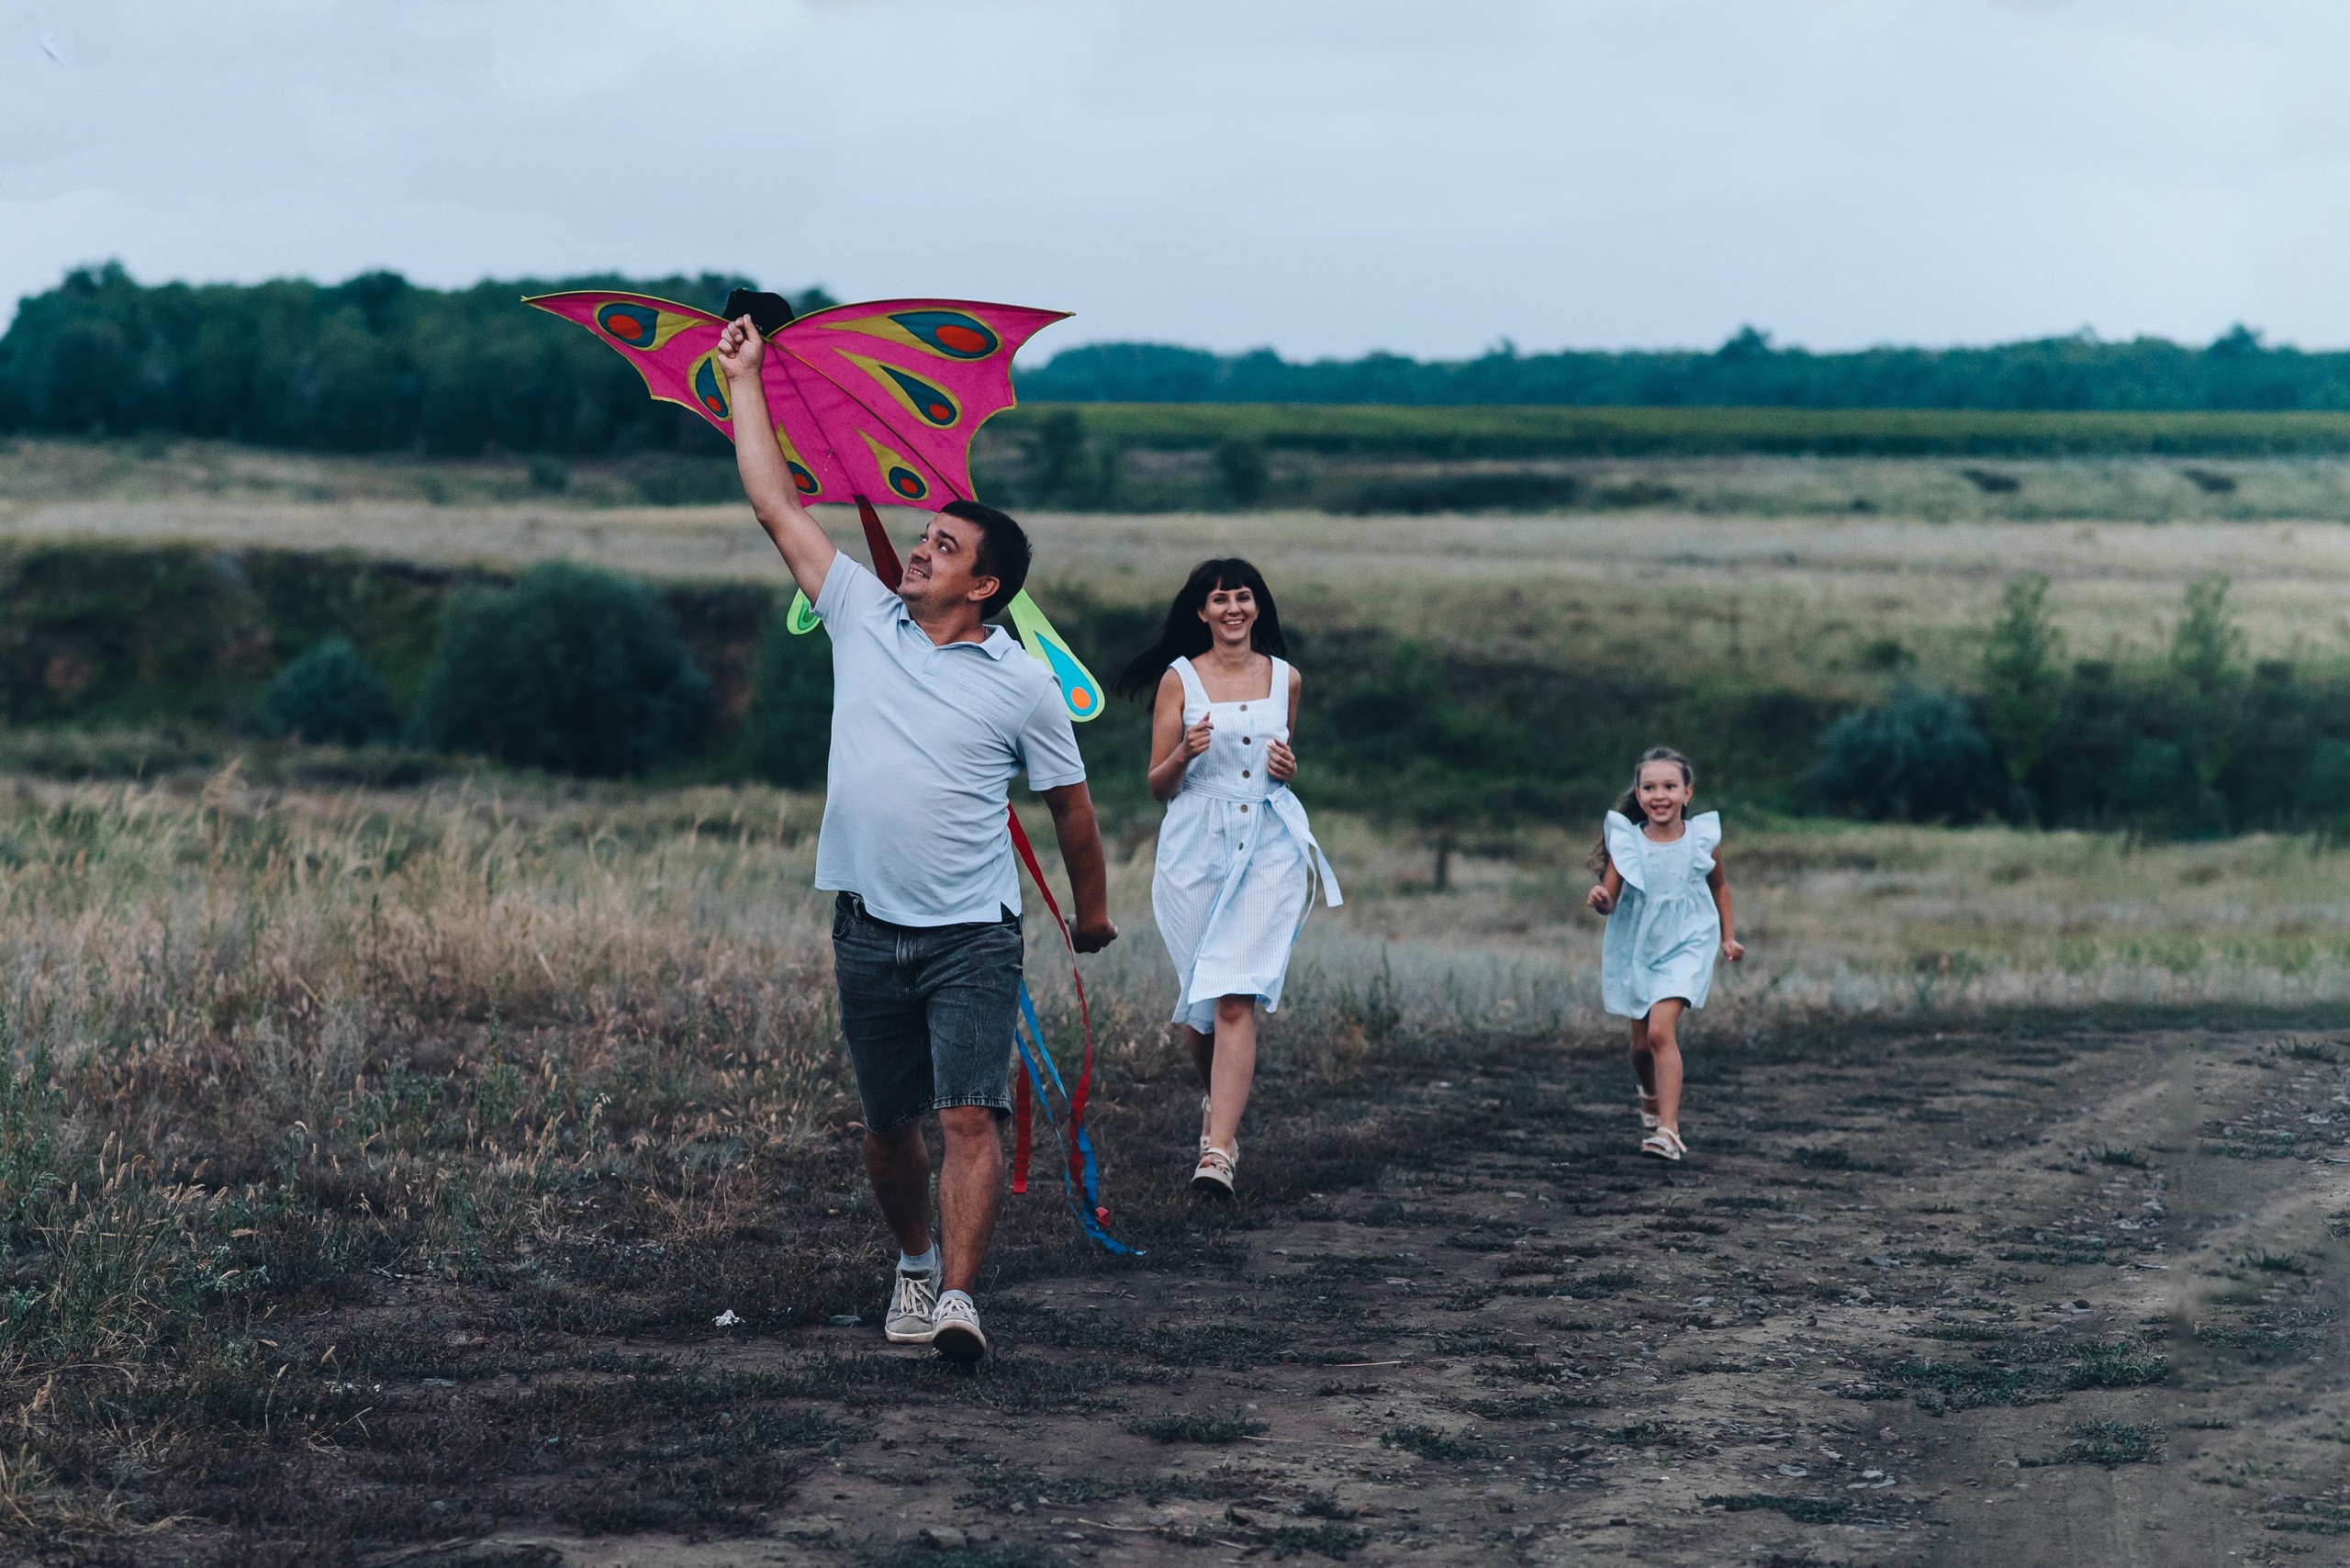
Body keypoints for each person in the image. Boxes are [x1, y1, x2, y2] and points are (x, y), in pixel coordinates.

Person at [712, 316, 1118, 1363]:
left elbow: (1071, 806)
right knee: (887, 1128)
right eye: (924, 536)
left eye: (943, 545)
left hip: (973, 936)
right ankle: (912, 1263)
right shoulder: (859, 613)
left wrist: (1091, 913)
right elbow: (774, 504)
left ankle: (959, 1299)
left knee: (970, 1119)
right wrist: (745, 380)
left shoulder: (1024, 684)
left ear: (983, 587)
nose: (920, 546)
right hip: (866, 927)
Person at [1110, 559, 1341, 1197]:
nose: (1233, 608)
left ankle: (1218, 1153)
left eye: (1243, 597)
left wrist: (1288, 769)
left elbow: (1279, 763)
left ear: (1258, 606)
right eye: (1220, 599)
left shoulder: (1286, 678)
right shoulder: (1178, 679)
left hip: (1268, 846)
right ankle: (1219, 1105)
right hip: (1195, 847)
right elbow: (1158, 785)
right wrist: (1184, 752)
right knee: (1202, 1006)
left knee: (1236, 998)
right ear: (1201, 612)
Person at [1583, 746, 1743, 1161]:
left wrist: (1727, 937)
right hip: (1638, 945)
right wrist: (1601, 898)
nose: (1660, 795)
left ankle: (1668, 1132)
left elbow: (1720, 886)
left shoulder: (1702, 839)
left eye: (1670, 786)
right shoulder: (1627, 844)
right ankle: (1651, 1095)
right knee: (1640, 1049)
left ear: (1687, 793)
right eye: (1650, 787)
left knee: (1659, 1033)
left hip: (1689, 941)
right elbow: (1610, 900)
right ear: (1638, 795)